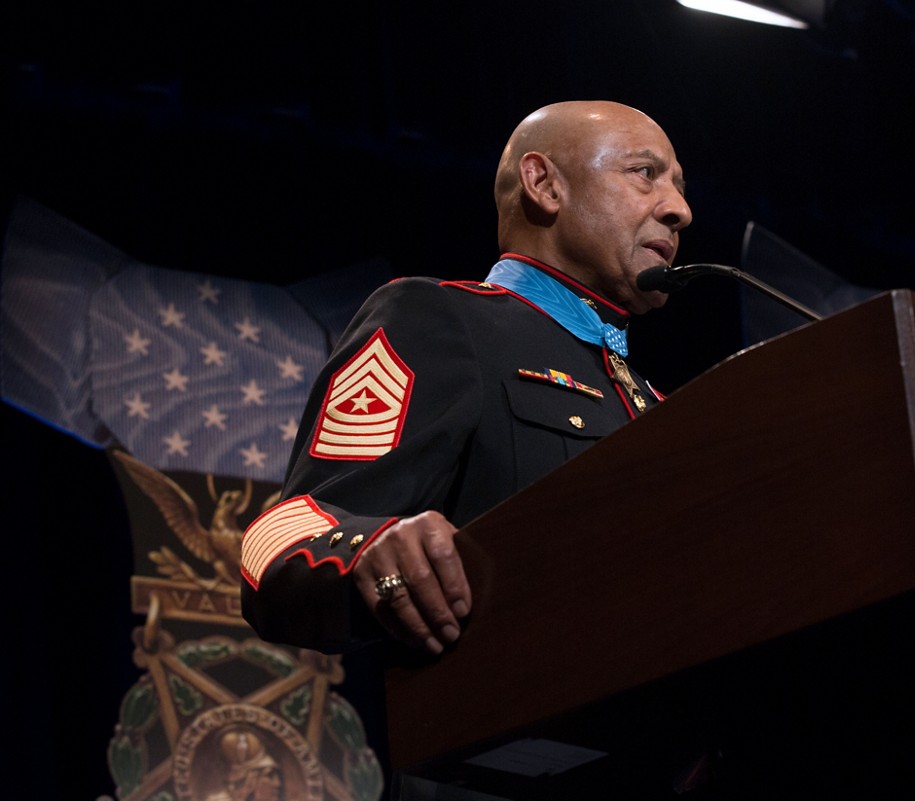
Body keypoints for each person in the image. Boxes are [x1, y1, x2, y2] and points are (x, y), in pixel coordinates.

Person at [239, 100, 692, 656]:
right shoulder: (438, 319)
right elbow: (284, 531)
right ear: (544, 184)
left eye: (680, 186)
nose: (679, 210)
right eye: (645, 174)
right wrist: (368, 549)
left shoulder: (658, 401)